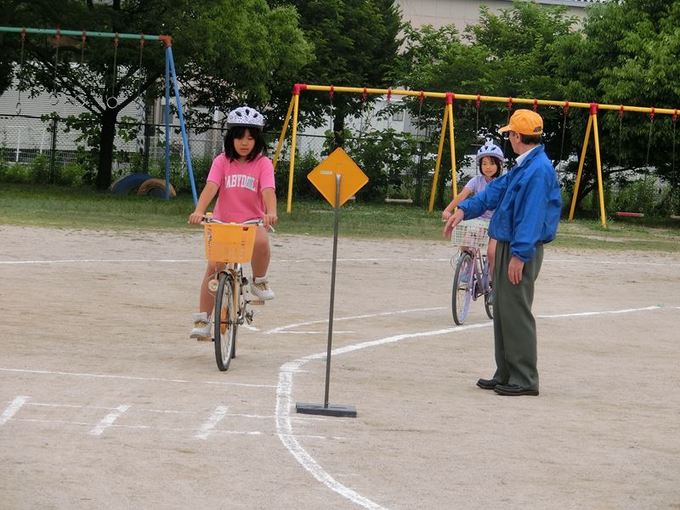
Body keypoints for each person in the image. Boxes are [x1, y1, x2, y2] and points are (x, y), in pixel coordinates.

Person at [443, 109, 561, 396]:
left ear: (518, 136)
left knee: (516, 310)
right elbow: (494, 193)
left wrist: (520, 255)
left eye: (510, 133)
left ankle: (524, 378)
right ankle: (506, 372)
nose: (508, 137)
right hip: (511, 243)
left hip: (520, 247)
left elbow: (532, 216)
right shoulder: (525, 165)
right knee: (504, 310)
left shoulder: (538, 170)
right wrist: (464, 209)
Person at [187, 106, 278, 340]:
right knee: (214, 266)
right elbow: (211, 187)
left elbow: (268, 190)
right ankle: (203, 318)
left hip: (251, 220)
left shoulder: (262, 163)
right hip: (222, 221)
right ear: (231, 138)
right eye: (239, 137)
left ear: (258, 140)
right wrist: (198, 211)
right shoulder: (221, 161)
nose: (244, 143)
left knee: (261, 239)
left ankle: (259, 280)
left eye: (250, 138)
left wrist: (271, 212)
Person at [442, 141, 504, 275]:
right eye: (484, 163)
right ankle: (468, 267)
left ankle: (494, 281)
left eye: (492, 163)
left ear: (499, 165)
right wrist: (447, 210)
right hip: (478, 221)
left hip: (495, 222)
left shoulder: (502, 182)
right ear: (480, 165)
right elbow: (462, 196)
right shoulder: (476, 180)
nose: (488, 167)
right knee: (465, 243)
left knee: (492, 252)